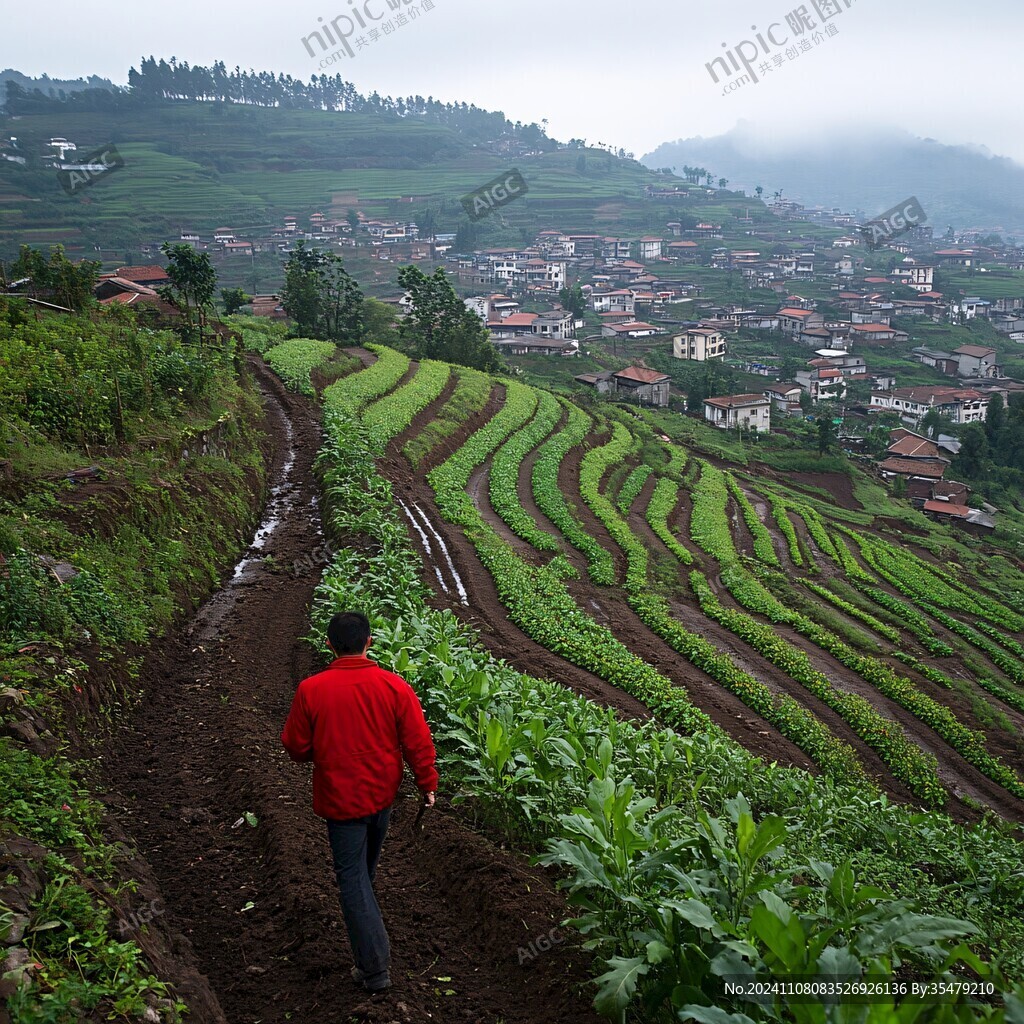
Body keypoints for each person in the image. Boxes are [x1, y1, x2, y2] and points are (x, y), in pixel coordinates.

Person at [281, 611, 438, 993]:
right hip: (382, 796)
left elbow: (296, 747)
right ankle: (367, 945)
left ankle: (374, 968)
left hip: (340, 801)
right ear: (370, 642)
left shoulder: (311, 689)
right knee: (363, 873)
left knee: (351, 880)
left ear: (329, 645)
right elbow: (417, 740)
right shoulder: (393, 685)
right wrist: (426, 782)